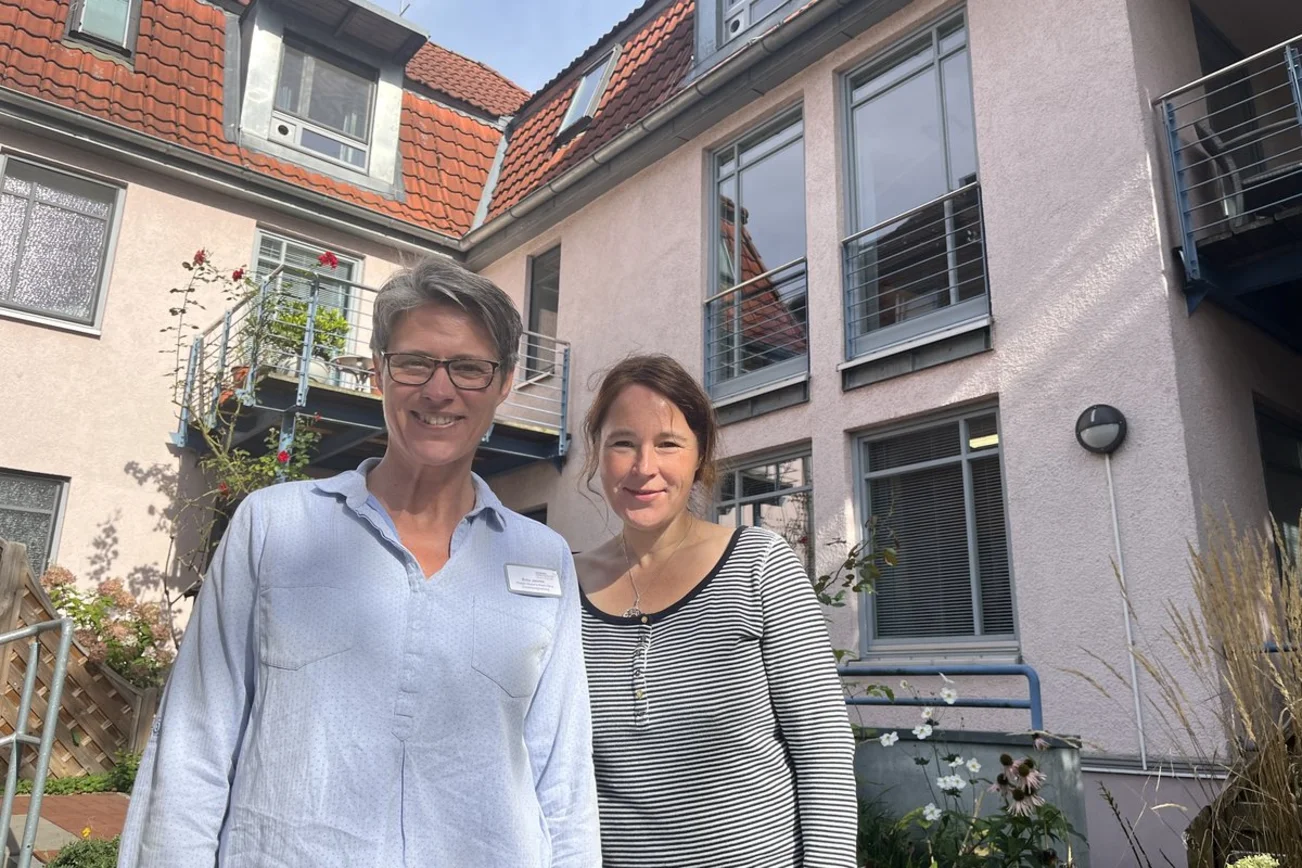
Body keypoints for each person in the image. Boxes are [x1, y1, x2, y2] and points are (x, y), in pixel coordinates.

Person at [119, 256, 601, 868]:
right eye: (414, 362)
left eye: (470, 369)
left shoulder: (544, 558)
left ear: (503, 384)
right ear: (378, 372)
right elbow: (195, 742)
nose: (438, 389)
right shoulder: (272, 527)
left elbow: (562, 774)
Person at [573, 354, 857, 867]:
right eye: (622, 443)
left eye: (668, 443)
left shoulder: (759, 567)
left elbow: (825, 756)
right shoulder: (565, 588)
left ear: (699, 456)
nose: (644, 466)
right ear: (598, 453)